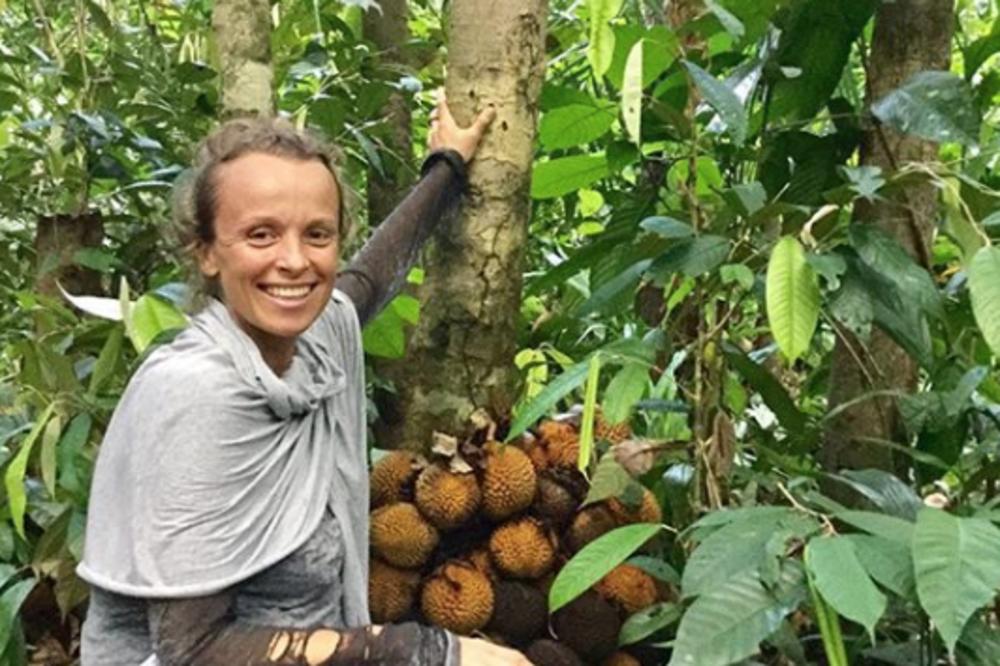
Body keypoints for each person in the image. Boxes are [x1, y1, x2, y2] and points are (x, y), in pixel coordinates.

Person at [76, 94, 532, 665]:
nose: (294, 260)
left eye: (317, 235)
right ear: (207, 252)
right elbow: (191, 651)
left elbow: (369, 280)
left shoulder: (315, 339)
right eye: (261, 235)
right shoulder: (194, 394)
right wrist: (428, 653)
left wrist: (447, 167)